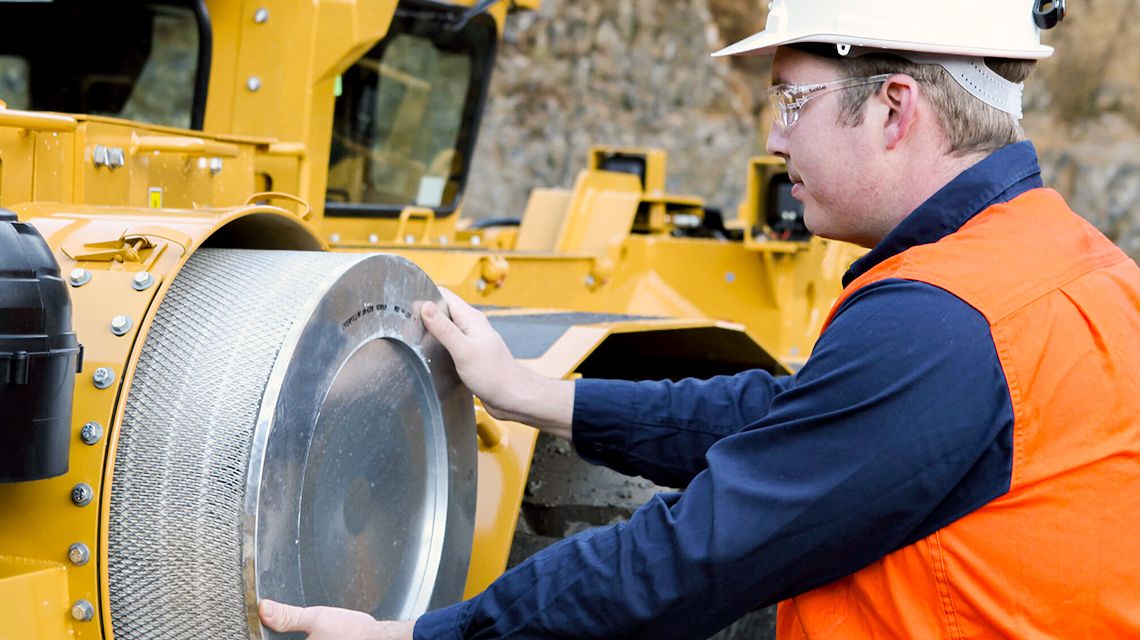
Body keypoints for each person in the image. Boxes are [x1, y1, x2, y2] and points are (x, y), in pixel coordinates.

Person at [259, 0, 1140, 637]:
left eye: (791, 100)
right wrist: (533, 394)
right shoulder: (1067, 265)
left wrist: (429, 637)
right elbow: (800, 424)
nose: (774, 140)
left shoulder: (941, 323)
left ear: (894, 108)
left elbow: (697, 557)